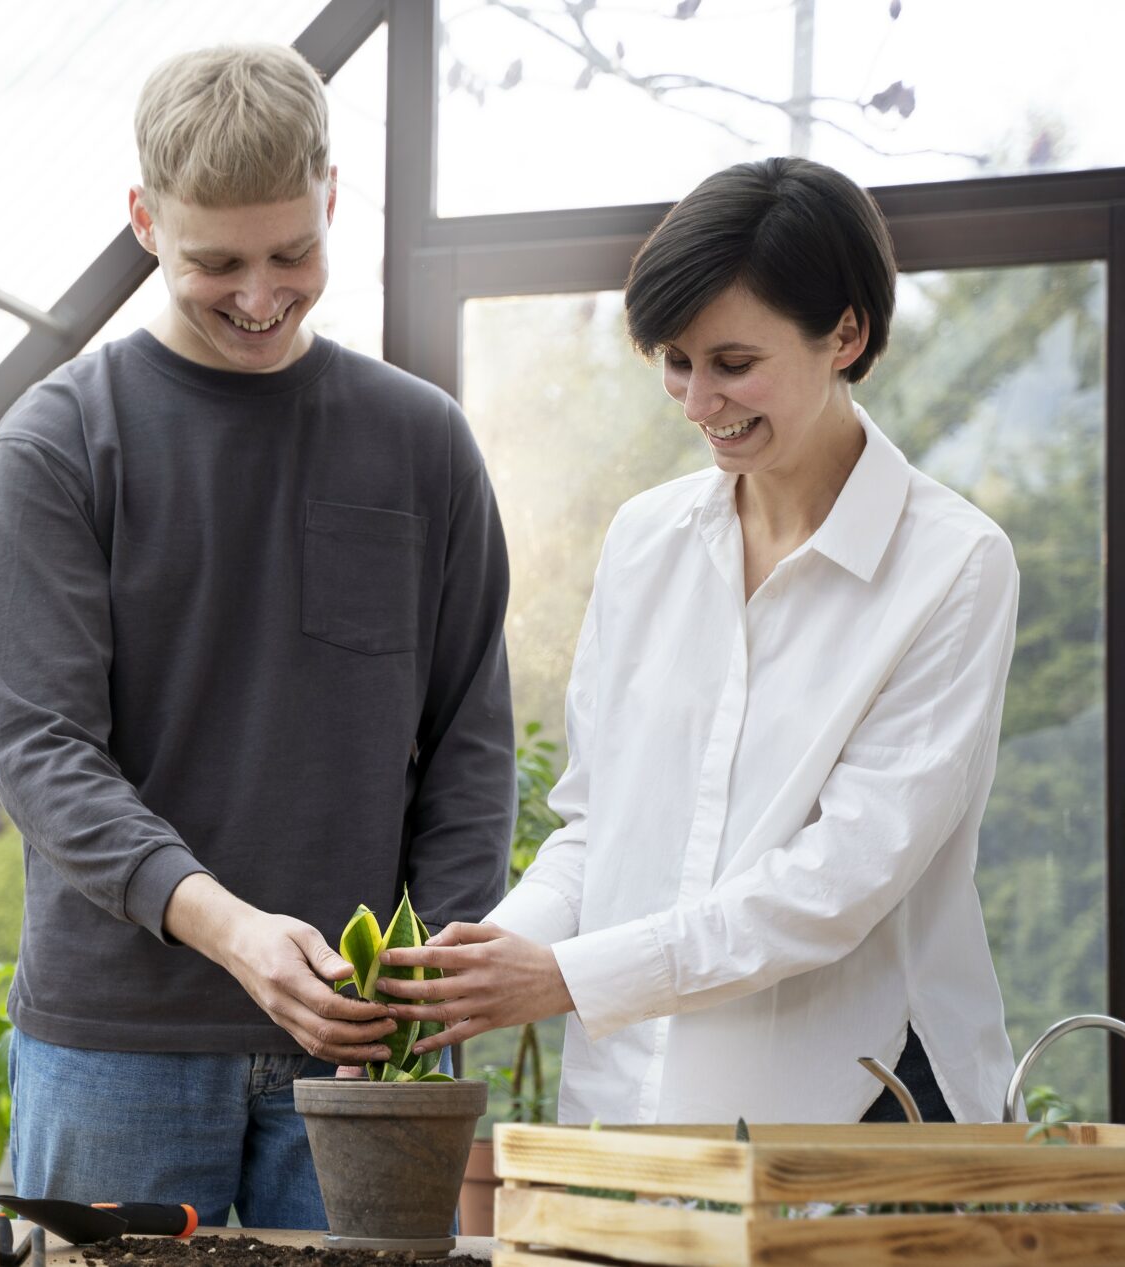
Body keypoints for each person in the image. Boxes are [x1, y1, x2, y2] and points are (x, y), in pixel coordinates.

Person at [0, 43, 514, 1225]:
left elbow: (469, 739)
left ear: (331, 195)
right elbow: (47, 755)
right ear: (143, 220)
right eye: (217, 261)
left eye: (292, 253)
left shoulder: (424, 443)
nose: (261, 295)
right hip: (119, 1045)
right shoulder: (58, 445)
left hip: (365, 1063)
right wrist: (234, 932)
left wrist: (422, 1001)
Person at [378, 157, 1019, 1126]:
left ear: (845, 333)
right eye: (676, 361)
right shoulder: (647, 539)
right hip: (636, 1097)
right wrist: (467, 971)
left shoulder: (953, 564)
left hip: (857, 1099)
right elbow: (599, 829)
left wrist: (565, 977)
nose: (695, 402)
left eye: (733, 364)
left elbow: (835, 884)